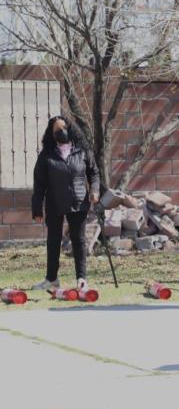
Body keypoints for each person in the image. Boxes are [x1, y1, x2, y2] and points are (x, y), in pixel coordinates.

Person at [31, 116, 100, 293]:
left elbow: (94, 173)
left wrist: (95, 190)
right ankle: (52, 279)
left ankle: (82, 279)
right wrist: (37, 207)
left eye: (63, 127)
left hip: (79, 201)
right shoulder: (46, 154)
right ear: (52, 134)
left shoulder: (83, 150)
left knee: (79, 241)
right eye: (56, 130)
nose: (60, 132)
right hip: (54, 203)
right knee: (53, 241)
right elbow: (39, 183)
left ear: (70, 128)